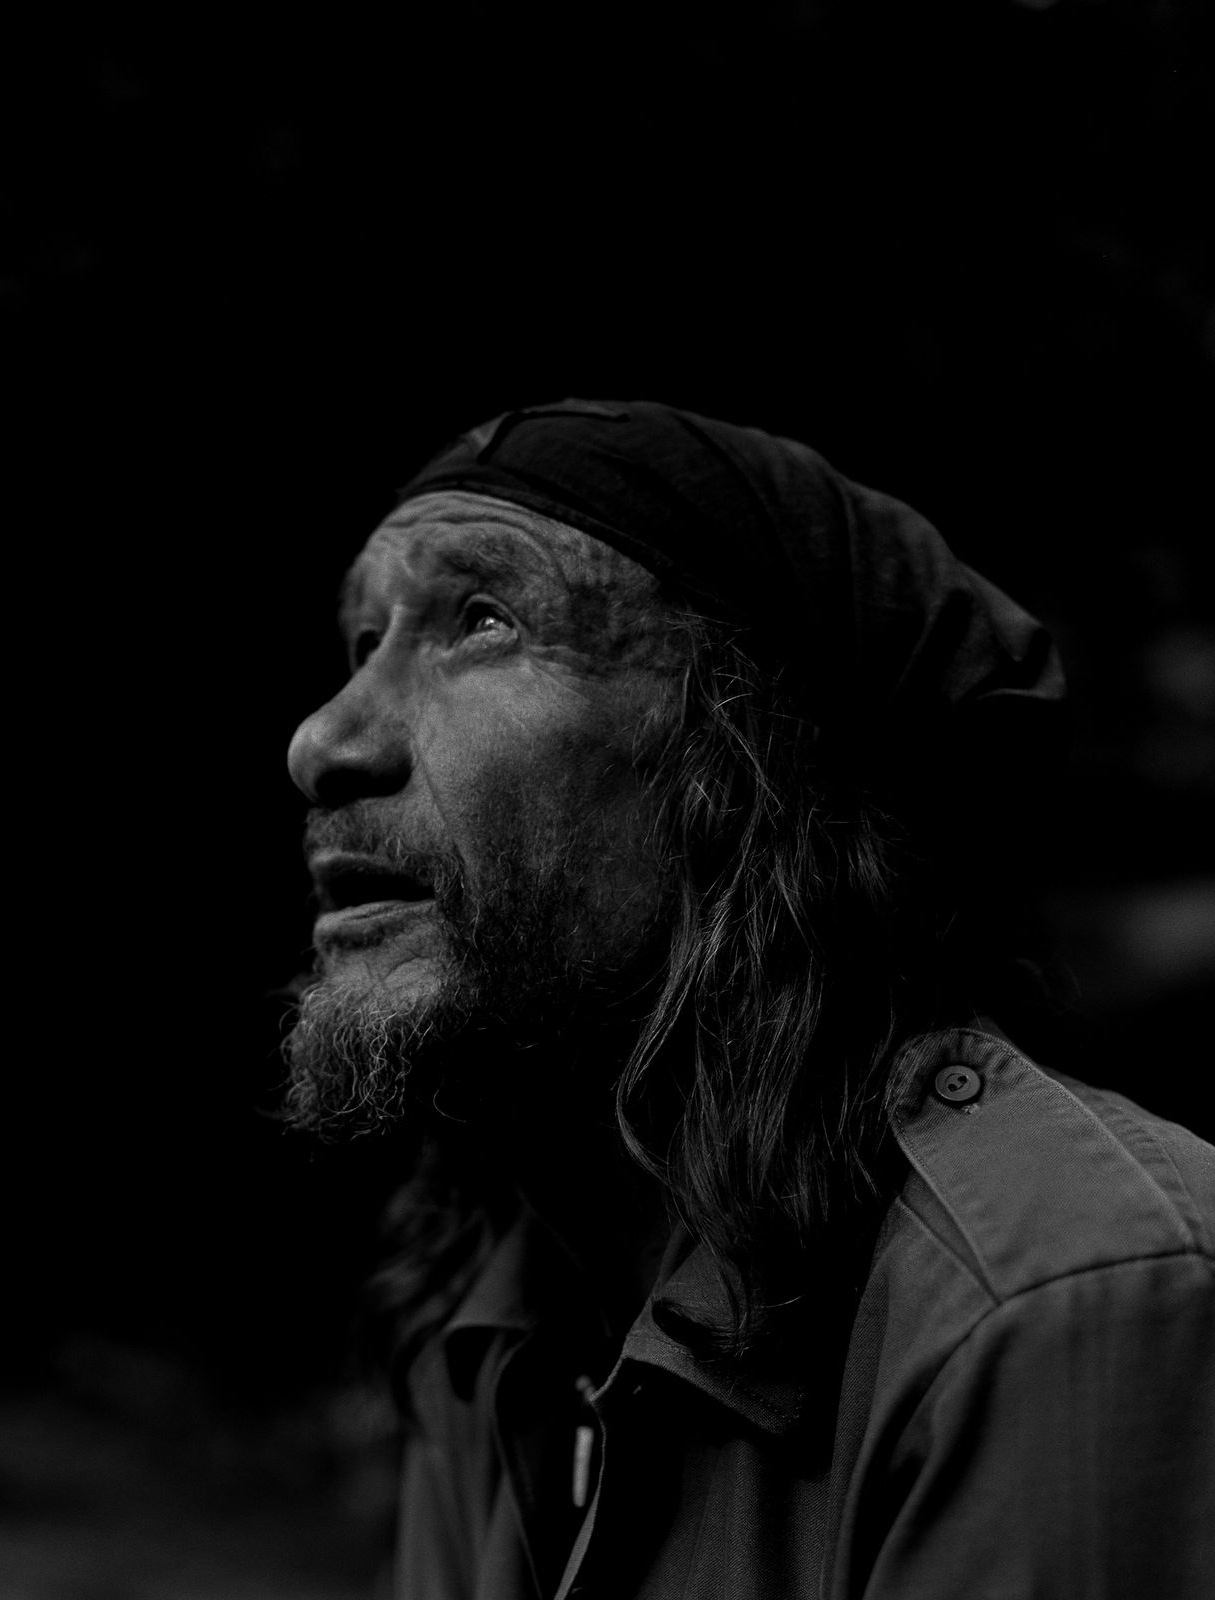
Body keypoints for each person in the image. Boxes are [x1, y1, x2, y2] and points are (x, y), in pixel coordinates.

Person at [279, 400, 1215, 1599]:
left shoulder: (1071, 1299)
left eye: (482, 620)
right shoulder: (496, 1318)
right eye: (364, 639)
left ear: (749, 765)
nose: (323, 740)